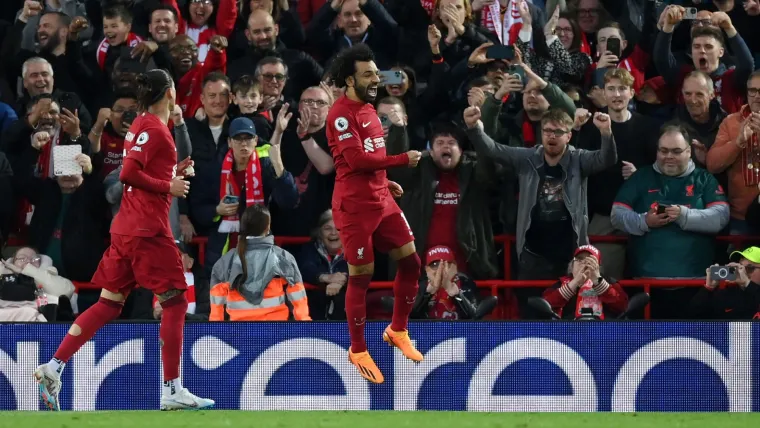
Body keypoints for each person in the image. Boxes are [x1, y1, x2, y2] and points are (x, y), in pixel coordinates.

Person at [33, 69, 214, 411]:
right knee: (175, 303)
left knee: (108, 304)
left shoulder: (143, 125)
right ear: (171, 93)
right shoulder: (155, 129)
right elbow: (129, 173)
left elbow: (139, 171)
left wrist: (173, 173)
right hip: (147, 230)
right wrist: (169, 187)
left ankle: (53, 366)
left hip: (128, 228)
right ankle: (172, 388)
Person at [326, 44, 423, 384]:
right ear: (350, 79)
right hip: (354, 206)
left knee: (411, 263)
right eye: (367, 73)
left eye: (375, 72)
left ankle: (397, 330)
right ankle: (357, 349)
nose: (375, 79)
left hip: (381, 197)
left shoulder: (368, 108)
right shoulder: (341, 113)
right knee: (361, 276)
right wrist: (400, 160)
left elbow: (370, 160)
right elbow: (354, 161)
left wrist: (386, 179)